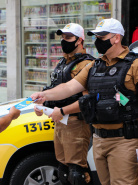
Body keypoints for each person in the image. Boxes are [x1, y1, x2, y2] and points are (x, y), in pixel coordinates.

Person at [31, 18, 138, 185]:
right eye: (95, 37)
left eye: (102, 37)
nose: (97, 41)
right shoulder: (94, 66)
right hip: (99, 139)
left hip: (124, 141)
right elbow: (68, 88)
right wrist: (45, 96)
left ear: (116, 38)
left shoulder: (134, 65)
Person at [34, 23, 95, 185]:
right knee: (63, 170)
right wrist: (42, 103)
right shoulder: (63, 62)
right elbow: (55, 89)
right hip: (60, 122)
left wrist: (62, 111)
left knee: (77, 173)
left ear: (79, 40)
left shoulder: (86, 64)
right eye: (62, 37)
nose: (64, 41)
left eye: (68, 37)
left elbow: (87, 101)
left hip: (76, 123)